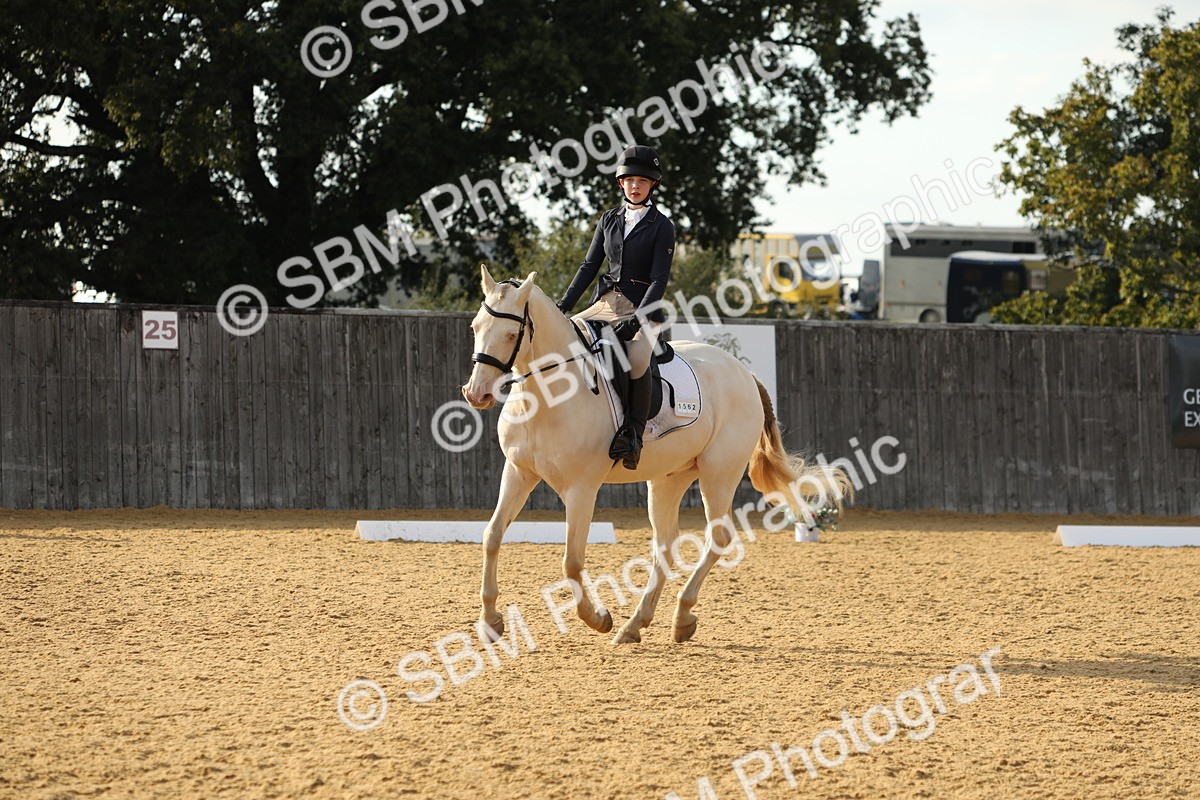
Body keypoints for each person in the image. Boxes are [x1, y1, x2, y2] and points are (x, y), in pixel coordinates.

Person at [556, 145, 676, 470]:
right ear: (620, 183)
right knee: (564, 341)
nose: (635, 186)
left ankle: (633, 435)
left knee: (636, 360)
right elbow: (589, 266)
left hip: (644, 308)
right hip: (605, 303)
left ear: (652, 185)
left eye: (642, 181)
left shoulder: (662, 226)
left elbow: (659, 280)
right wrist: (563, 305)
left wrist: (638, 320)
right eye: (629, 180)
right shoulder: (608, 219)